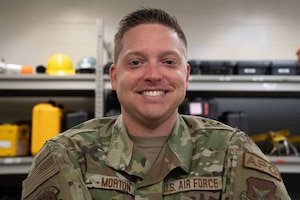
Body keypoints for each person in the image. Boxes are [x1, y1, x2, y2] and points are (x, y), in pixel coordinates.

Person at [22, 7, 291, 200]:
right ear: (114, 77)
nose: (153, 75)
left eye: (168, 61)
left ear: (185, 76)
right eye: (136, 62)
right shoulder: (66, 155)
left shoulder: (233, 151)